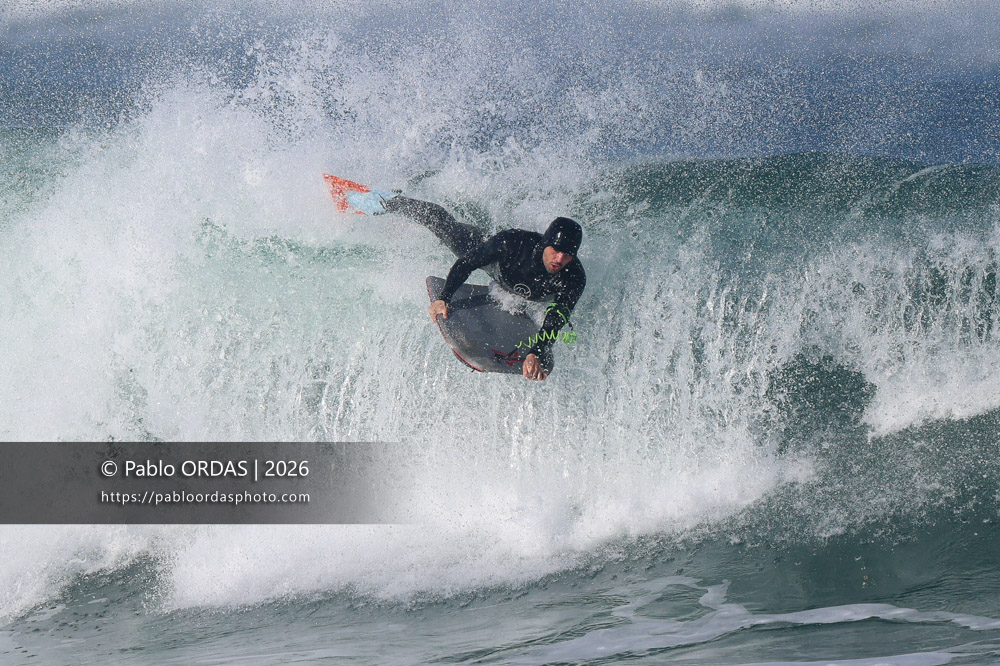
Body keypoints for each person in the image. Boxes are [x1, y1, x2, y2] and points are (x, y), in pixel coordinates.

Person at [357, 192, 586, 380]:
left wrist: (537, 351)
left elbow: (558, 314)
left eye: (567, 255)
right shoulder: (512, 244)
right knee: (446, 228)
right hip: (494, 265)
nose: (559, 259)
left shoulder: (573, 276)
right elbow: (467, 263)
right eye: (555, 250)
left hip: (530, 296)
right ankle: (389, 201)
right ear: (545, 244)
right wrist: (444, 297)